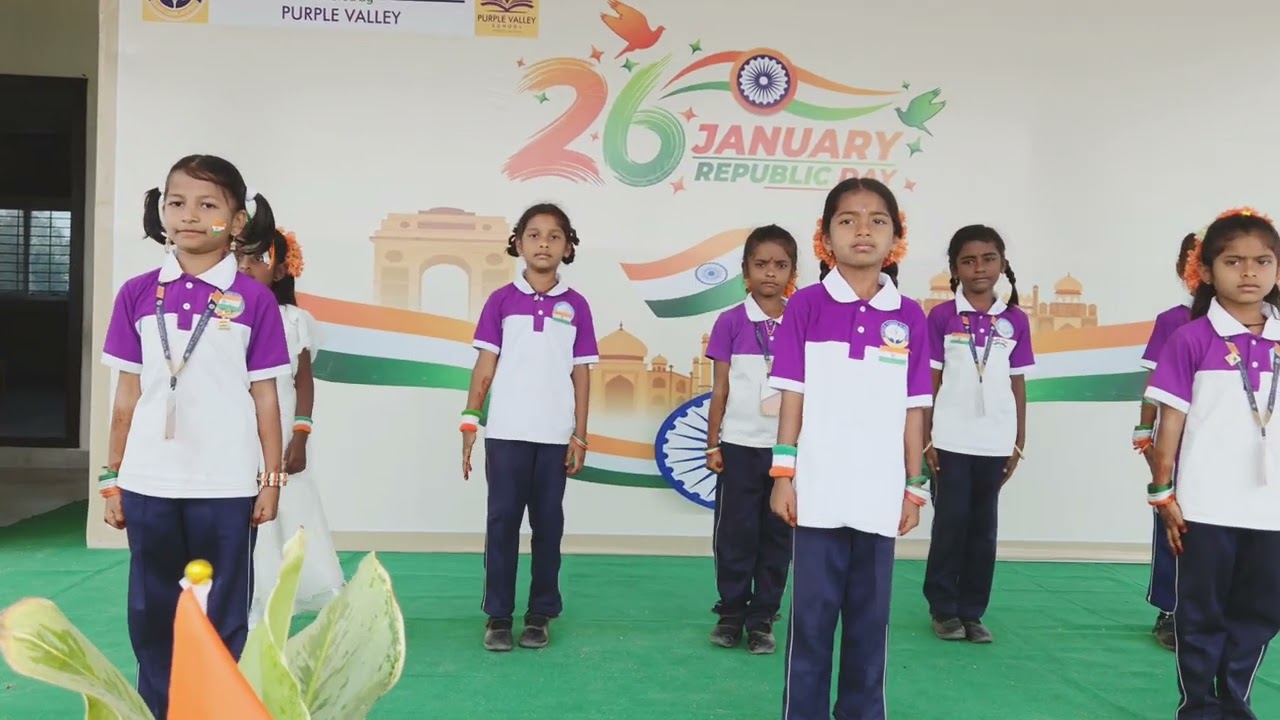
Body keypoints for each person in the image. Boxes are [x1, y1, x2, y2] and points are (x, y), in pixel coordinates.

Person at [98, 155, 289, 719]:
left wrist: (270, 479)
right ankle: (162, 709)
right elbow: (126, 398)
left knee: (224, 611)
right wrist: (112, 477)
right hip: (148, 481)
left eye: (208, 205)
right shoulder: (136, 293)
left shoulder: (255, 301)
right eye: (177, 203)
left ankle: (217, 708)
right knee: (153, 609)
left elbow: (266, 399)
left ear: (235, 222)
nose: (188, 215)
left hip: (226, 482)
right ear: (161, 212)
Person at [767, 178, 930, 720]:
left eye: (877, 220)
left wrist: (913, 486)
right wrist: (783, 475)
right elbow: (792, 397)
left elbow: (914, 410)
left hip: (879, 496)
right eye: (848, 219)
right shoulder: (805, 307)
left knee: (869, 623)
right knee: (811, 623)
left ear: (896, 238)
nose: (863, 230)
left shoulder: (910, 316)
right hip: (816, 491)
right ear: (825, 236)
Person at [1146, 207, 1280, 719]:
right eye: (1233, 261)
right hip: (1205, 506)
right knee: (1200, 614)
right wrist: (1163, 491)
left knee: (1261, 612)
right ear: (1206, 271)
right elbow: (1170, 421)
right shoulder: (1191, 338)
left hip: (1270, 510)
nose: (1249, 273)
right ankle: (1199, 706)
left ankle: (1235, 701)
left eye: (1262, 261)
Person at [460, 203, 598, 652]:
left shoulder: (576, 305)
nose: (544, 243)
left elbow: (581, 372)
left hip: (555, 437)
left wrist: (579, 433)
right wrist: (470, 419)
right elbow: (485, 364)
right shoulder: (502, 300)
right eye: (534, 234)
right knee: (501, 523)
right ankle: (498, 616)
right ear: (518, 243)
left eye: (554, 235)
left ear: (567, 246)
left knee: (548, 525)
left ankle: (540, 614)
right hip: (505, 434)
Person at [921, 225, 1033, 644]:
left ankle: (972, 611)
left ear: (1002, 264)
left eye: (988, 259)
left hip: (995, 441)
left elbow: (1018, 384)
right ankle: (943, 608)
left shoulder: (1015, 321)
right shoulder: (941, 317)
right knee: (950, 523)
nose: (979, 267)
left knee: (983, 529)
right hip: (949, 439)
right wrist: (927, 437)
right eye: (968, 260)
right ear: (954, 269)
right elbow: (929, 381)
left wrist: (1018, 440)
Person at [240, 227, 345, 626]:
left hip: (282, 423)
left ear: (282, 270)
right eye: (240, 259)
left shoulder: (294, 319)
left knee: (293, 503)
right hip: (240, 423)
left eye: (257, 260)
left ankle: (313, 586)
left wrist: (300, 434)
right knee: (246, 505)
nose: (245, 267)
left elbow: (302, 380)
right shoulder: (228, 317)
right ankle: (253, 592)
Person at [704, 224, 799, 655]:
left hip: (786, 447)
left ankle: (763, 618)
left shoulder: (803, 319)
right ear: (745, 270)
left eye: (780, 265)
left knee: (778, 534)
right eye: (761, 264)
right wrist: (713, 442)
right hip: (740, 444)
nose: (770, 273)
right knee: (735, 532)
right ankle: (731, 614)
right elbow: (720, 388)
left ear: (792, 271)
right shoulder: (730, 322)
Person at [1133, 230, 1199, 651]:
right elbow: (1154, 384)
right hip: (1178, 443)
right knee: (1172, 522)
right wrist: (1144, 432)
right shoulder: (1174, 321)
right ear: (1185, 270)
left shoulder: (1264, 321)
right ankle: (1171, 610)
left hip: (1230, 445)